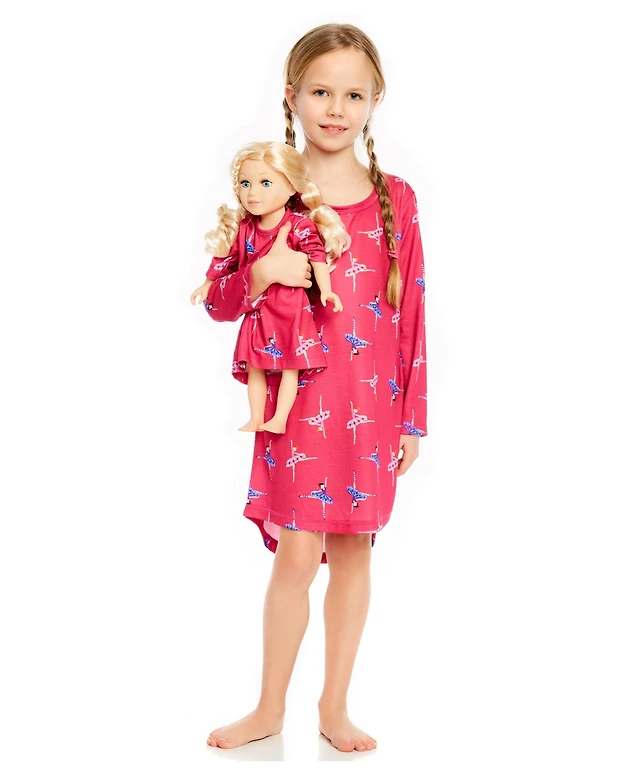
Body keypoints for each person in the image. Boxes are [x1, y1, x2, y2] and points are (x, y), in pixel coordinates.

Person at [202, 23, 427, 753]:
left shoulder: (398, 199)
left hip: (371, 410)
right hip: (298, 409)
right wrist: (260, 272)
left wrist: (412, 419)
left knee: (356, 555)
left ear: (375, 100)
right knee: (296, 556)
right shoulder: (269, 193)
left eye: (353, 94)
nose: (336, 108)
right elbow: (219, 302)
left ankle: (335, 706)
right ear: (292, 95)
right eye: (321, 91)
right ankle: (269, 706)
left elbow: (412, 313)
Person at [190, 141, 347, 433]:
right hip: (259, 310)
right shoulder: (246, 228)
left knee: (290, 364)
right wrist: (207, 283)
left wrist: (326, 290)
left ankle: (279, 418)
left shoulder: (298, 225)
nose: (252, 193)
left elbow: (316, 255)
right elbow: (228, 259)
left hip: (290, 309)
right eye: (245, 183)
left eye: (265, 183)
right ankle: (256, 416)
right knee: (255, 365)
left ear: (291, 187)